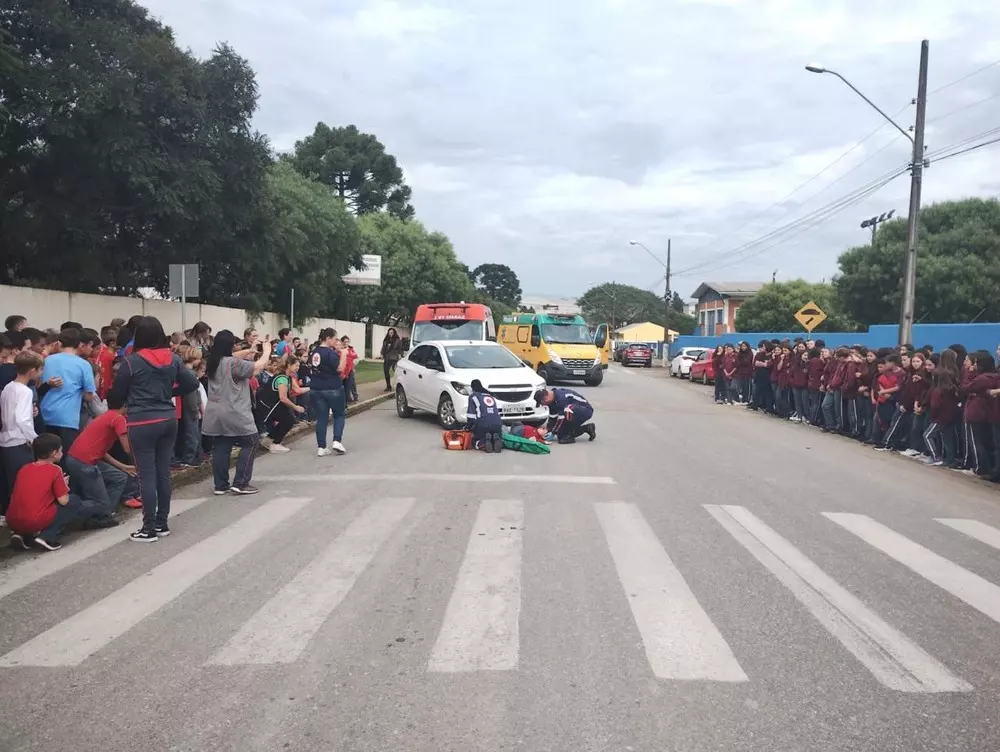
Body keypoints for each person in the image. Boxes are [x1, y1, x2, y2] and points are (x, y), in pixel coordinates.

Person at [109, 316, 200, 542]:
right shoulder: (173, 359)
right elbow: (192, 383)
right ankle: (162, 523)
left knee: (146, 475)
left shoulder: (131, 361)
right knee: (163, 473)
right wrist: (168, 393)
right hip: (168, 418)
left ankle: (148, 528)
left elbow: (117, 395)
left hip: (142, 421)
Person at [6, 434, 107, 551]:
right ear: (54, 453)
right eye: (61, 451)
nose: (62, 453)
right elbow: (63, 501)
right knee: (73, 501)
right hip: (35, 519)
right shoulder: (55, 469)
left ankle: (21, 534)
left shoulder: (24, 468)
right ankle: (46, 536)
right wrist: (63, 485)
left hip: (12, 518)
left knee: (31, 507)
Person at [202, 330, 272, 495]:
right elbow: (258, 367)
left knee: (221, 445)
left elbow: (232, 356)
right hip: (234, 411)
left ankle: (221, 485)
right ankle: (241, 482)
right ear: (230, 345)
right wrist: (267, 351)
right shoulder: (233, 364)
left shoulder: (212, 361)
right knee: (252, 441)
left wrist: (251, 350)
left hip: (214, 412)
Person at [64, 392, 134, 525]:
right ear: (125, 406)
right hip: (84, 463)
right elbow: (127, 448)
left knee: (119, 477)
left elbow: (101, 452)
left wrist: (123, 467)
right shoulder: (118, 418)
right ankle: (68, 511)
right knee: (100, 502)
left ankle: (104, 514)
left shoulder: (105, 417)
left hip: (79, 459)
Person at [39, 327, 97, 453]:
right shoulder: (83, 364)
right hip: (68, 418)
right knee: (65, 457)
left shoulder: (47, 360)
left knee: (45, 455)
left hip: (44, 414)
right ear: (79, 345)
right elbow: (89, 396)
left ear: (59, 343)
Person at [0, 351, 44, 513]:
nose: (41, 373)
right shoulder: (26, 391)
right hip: (19, 442)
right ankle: (26, 519)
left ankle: (16, 519)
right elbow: (21, 419)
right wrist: (35, 439)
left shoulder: (8, 388)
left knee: (14, 484)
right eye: (40, 370)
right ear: (32, 371)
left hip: (5, 440)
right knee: (25, 485)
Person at [311, 328, 348, 457]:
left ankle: (321, 446)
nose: (336, 341)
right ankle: (337, 440)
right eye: (334, 339)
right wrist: (343, 354)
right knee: (339, 414)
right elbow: (340, 368)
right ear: (328, 339)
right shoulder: (330, 353)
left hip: (316, 388)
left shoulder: (314, 352)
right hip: (332, 387)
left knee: (321, 418)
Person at [257, 355, 305, 453]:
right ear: (288, 365)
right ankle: (275, 444)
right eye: (296, 365)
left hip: (272, 404)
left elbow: (297, 389)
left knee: (288, 419)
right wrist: (296, 407)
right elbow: (283, 398)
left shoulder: (288, 377)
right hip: (268, 406)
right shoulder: (282, 378)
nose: (298, 368)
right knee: (288, 420)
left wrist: (313, 388)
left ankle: (267, 440)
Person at [465, 379, 503, 452]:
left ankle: (482, 443)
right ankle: (494, 439)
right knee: (494, 433)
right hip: (497, 424)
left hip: (483, 425)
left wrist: (467, 427)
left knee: (474, 440)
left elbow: (471, 416)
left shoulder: (473, 396)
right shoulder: (490, 396)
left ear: (472, 388)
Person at [381, 328, 403, 392]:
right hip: (387, 357)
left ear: (394, 333)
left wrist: (399, 355)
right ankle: (388, 386)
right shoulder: (386, 340)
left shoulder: (397, 340)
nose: (390, 334)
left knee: (395, 370)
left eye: (392, 332)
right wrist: (382, 353)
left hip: (394, 357)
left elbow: (400, 348)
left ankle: (398, 386)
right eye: (389, 332)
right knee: (385, 371)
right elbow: (383, 347)